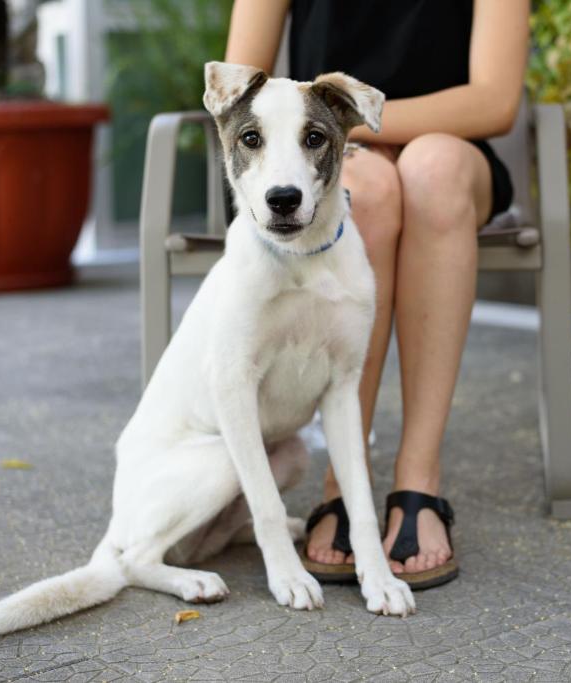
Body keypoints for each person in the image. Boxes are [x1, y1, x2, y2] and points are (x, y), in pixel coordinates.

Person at [224, 0, 529, 589]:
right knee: (372, 186)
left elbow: (495, 100)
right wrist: (329, 134)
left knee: (431, 173)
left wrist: (357, 118)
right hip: (320, 155)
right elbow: (236, 89)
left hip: (447, 148)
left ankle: (419, 481)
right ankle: (345, 483)